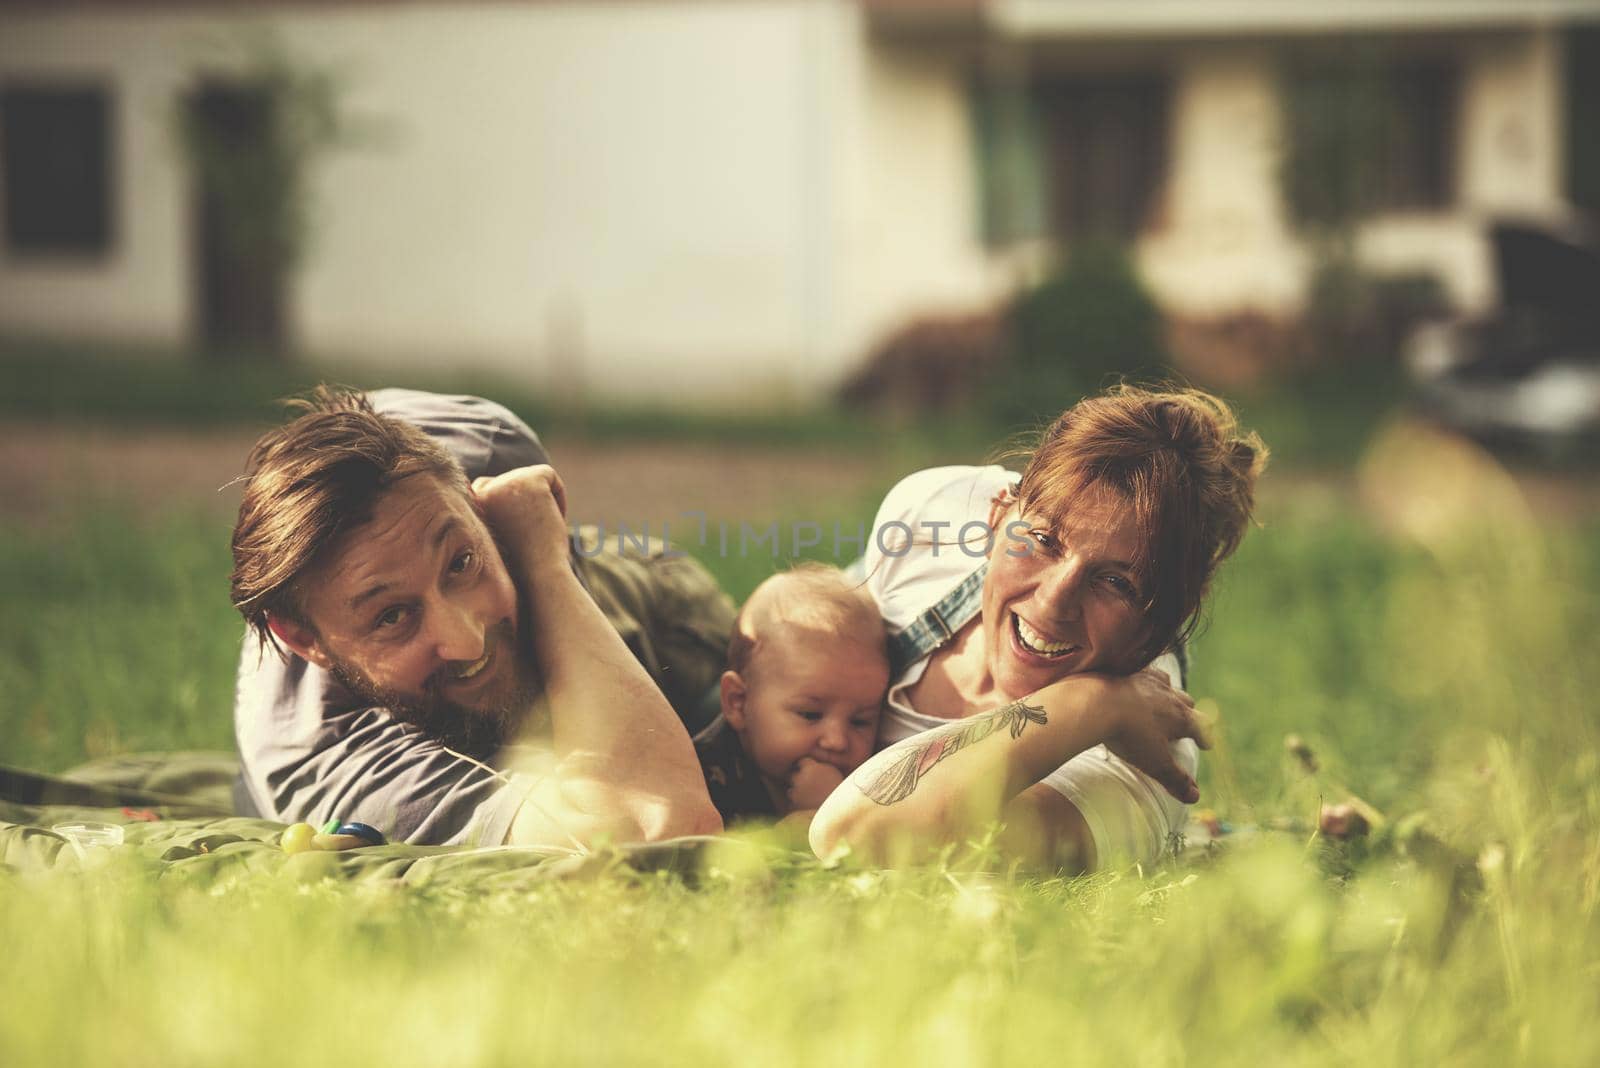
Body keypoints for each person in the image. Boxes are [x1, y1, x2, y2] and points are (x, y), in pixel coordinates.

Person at [230, 387, 731, 848]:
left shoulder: (494, 458)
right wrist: (545, 565)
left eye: (460, 564)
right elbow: (657, 827)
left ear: (481, 509)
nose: (467, 640)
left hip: (638, 585)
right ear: (303, 641)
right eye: (392, 617)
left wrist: (541, 551)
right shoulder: (335, 762)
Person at [810, 385, 1267, 872]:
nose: (1053, 602)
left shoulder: (1142, 769)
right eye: (1044, 541)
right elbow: (784, 646)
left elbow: (852, 835)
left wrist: (1094, 703)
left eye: (1115, 581)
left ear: (1170, 615)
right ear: (997, 513)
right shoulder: (933, 518)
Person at [692, 565, 888, 825]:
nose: (837, 741)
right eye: (810, 714)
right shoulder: (698, 782)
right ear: (738, 703)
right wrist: (822, 818)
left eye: (860, 721)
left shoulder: (868, 781)